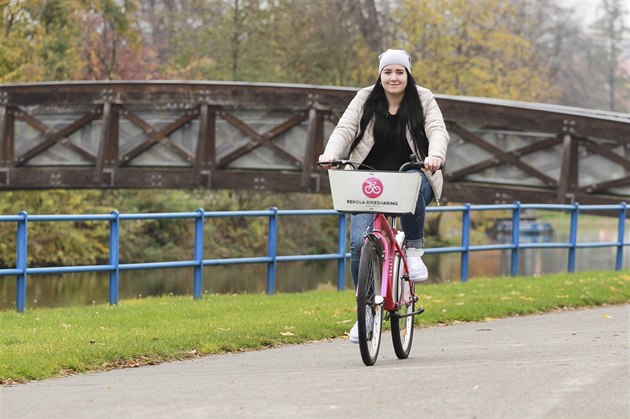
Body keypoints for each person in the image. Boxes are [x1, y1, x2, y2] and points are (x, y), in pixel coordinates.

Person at [318, 48, 450, 343]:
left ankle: (414, 250)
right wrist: (331, 153)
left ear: (408, 74)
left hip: (414, 171)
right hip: (369, 179)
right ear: (380, 74)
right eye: (388, 72)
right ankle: (364, 311)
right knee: (357, 243)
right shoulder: (366, 97)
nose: (393, 77)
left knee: (412, 184)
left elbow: (437, 129)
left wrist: (435, 155)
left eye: (399, 72)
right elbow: (345, 128)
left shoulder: (423, 98)